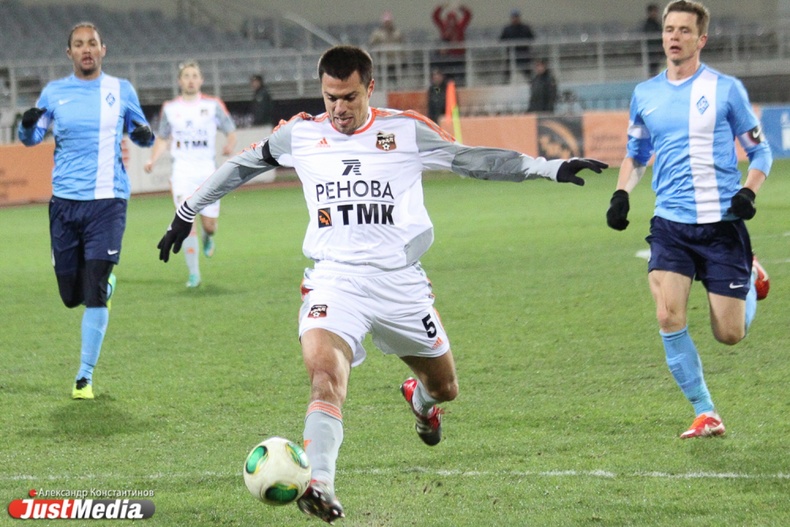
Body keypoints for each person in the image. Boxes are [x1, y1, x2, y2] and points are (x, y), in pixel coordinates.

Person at [157, 45, 606, 523]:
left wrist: (547, 167)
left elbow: (470, 159)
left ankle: (421, 402)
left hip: (399, 283)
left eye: (349, 97)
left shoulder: (405, 130)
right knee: (325, 379)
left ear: (370, 88)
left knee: (445, 386)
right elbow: (241, 166)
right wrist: (187, 211)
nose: (338, 108)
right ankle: (320, 483)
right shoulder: (301, 134)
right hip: (334, 280)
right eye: (330, 97)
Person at [606, 1, 772, 439]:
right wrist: (621, 193)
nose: (674, 37)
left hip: (721, 225)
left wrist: (748, 191)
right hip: (670, 225)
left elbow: (760, 151)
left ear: (701, 39)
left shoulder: (725, 89)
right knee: (667, 315)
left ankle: (749, 274)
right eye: (669, 29)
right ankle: (705, 411)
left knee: (729, 334)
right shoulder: (645, 94)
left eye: (684, 30)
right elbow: (637, 154)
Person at [17, 22, 154, 400]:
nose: (86, 49)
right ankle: (103, 285)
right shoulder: (54, 92)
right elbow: (31, 137)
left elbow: (142, 131)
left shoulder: (121, 90)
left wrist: (143, 135)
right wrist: (26, 125)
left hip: (108, 202)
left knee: (93, 291)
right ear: (70, 53)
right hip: (64, 203)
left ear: (103, 49)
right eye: (79, 44)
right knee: (69, 295)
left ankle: (84, 377)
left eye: (92, 43)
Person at [144, 60, 237, 288]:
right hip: (182, 173)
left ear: (201, 80)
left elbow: (230, 129)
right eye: (186, 76)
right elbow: (163, 138)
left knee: (209, 225)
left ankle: (208, 236)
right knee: (186, 222)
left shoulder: (213, 105)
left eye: (195, 76)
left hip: (207, 172)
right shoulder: (170, 108)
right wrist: (152, 159)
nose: (191, 80)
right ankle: (194, 274)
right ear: (180, 81)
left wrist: (230, 143)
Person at [431, 4, 472, 83]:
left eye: (453, 19)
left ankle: (460, 85)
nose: (451, 22)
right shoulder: (444, 27)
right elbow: (435, 17)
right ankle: (444, 87)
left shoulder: (460, 27)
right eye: (449, 19)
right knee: (446, 76)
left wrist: (461, 7)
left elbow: (468, 16)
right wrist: (441, 6)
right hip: (447, 57)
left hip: (459, 56)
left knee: (460, 75)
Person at [368, 10, 404, 84]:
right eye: (386, 22)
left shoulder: (397, 33)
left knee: (395, 80)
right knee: (382, 80)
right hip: (382, 61)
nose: (387, 24)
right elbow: (371, 44)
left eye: (389, 22)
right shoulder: (377, 34)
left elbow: (402, 44)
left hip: (394, 61)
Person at [499, 9, 535, 81]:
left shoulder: (525, 28)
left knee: (528, 73)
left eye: (516, 17)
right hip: (511, 54)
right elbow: (501, 40)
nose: (515, 19)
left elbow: (532, 38)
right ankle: (505, 83)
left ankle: (532, 83)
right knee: (507, 72)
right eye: (513, 17)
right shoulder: (507, 29)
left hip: (524, 55)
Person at [643, 3, 664, 76]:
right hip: (651, 51)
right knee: (652, 69)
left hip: (658, 50)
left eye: (656, 11)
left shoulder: (658, 24)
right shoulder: (647, 25)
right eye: (653, 11)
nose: (655, 13)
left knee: (658, 68)